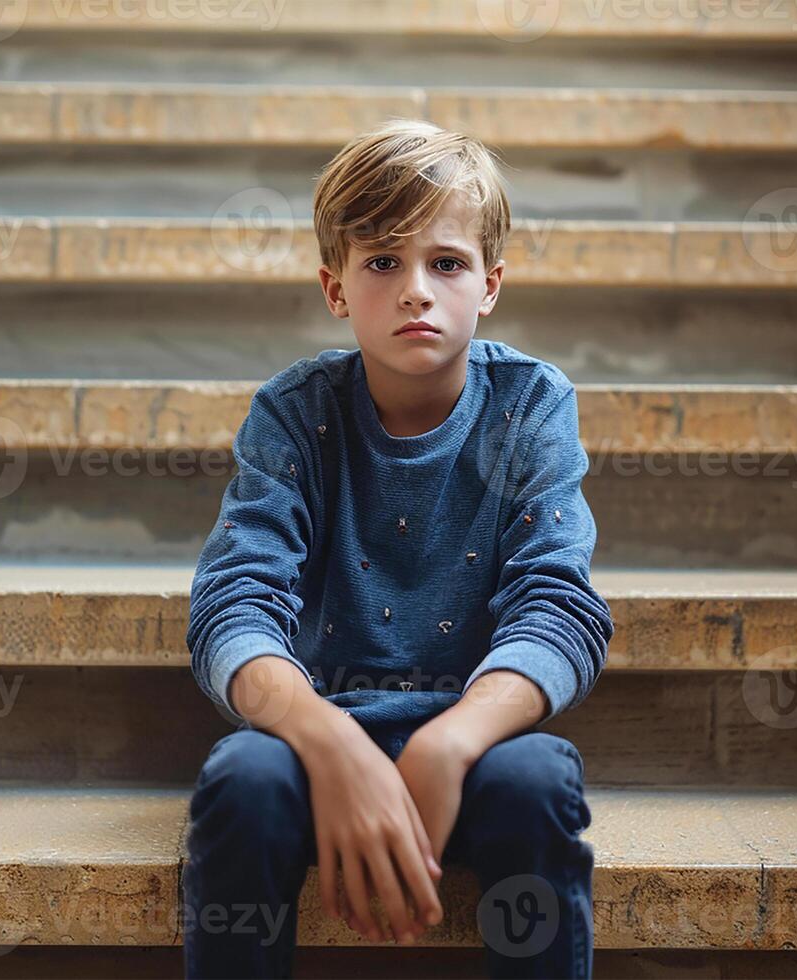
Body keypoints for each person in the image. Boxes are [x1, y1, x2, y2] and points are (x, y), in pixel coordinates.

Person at [182, 118, 615, 979]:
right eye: (383, 261)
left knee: (539, 784)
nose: (417, 289)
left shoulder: (530, 405)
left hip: (474, 742)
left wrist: (451, 742)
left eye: (445, 263)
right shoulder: (293, 413)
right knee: (243, 782)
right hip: (315, 742)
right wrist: (331, 741)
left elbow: (559, 606)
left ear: (489, 285)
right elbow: (233, 603)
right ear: (335, 287)